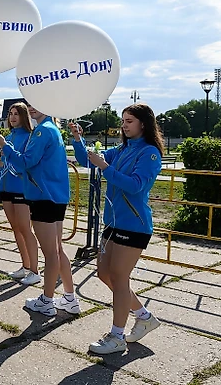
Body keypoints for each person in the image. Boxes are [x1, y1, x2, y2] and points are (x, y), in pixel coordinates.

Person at [71, 103, 163, 354]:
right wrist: (78, 139)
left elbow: (135, 186)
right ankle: (143, 316)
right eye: (123, 120)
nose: (124, 125)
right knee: (104, 274)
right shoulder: (122, 149)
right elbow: (86, 161)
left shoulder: (149, 153)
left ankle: (116, 336)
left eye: (129, 121)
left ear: (143, 124)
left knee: (120, 278)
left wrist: (105, 167)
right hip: (113, 223)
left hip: (134, 225)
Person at [0, 104, 79, 317]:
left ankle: (46, 301)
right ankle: (70, 298)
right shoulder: (52, 129)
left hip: (43, 196)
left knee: (51, 253)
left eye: (35, 103)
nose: (31, 107)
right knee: (57, 250)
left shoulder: (42, 130)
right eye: (29, 103)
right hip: (55, 196)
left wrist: (4, 145)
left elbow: (25, 162)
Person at [0, 103, 40, 285]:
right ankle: (25, 265)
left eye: (16, 114)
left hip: (21, 188)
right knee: (16, 229)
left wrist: (4, 149)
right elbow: (8, 162)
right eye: (10, 114)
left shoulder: (29, 137)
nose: (12, 117)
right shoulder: (10, 136)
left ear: (24, 116)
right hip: (6, 187)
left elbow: (22, 163)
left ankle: (35, 270)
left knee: (25, 229)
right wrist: (0, 162)